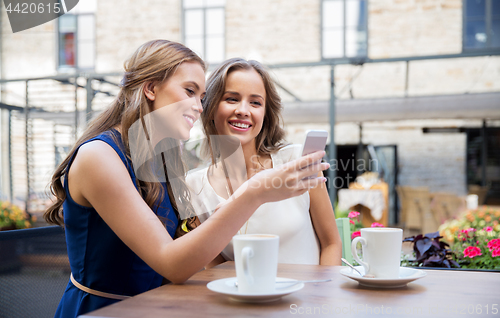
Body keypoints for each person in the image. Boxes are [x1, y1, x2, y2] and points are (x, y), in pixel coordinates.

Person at [43, 40, 329, 317]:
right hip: (106, 311)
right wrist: (254, 192)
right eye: (190, 91)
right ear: (151, 88)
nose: (199, 106)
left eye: (201, 97)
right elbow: (171, 263)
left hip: (161, 307)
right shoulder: (99, 157)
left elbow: (194, 257)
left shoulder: (161, 162)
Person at [186, 58, 342, 266]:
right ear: (210, 106)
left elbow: (331, 243)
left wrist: (322, 295)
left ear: (265, 114)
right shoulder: (193, 187)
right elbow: (216, 267)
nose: (243, 110)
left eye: (255, 102)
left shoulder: (296, 162)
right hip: (244, 297)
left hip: (307, 297)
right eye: (232, 99)